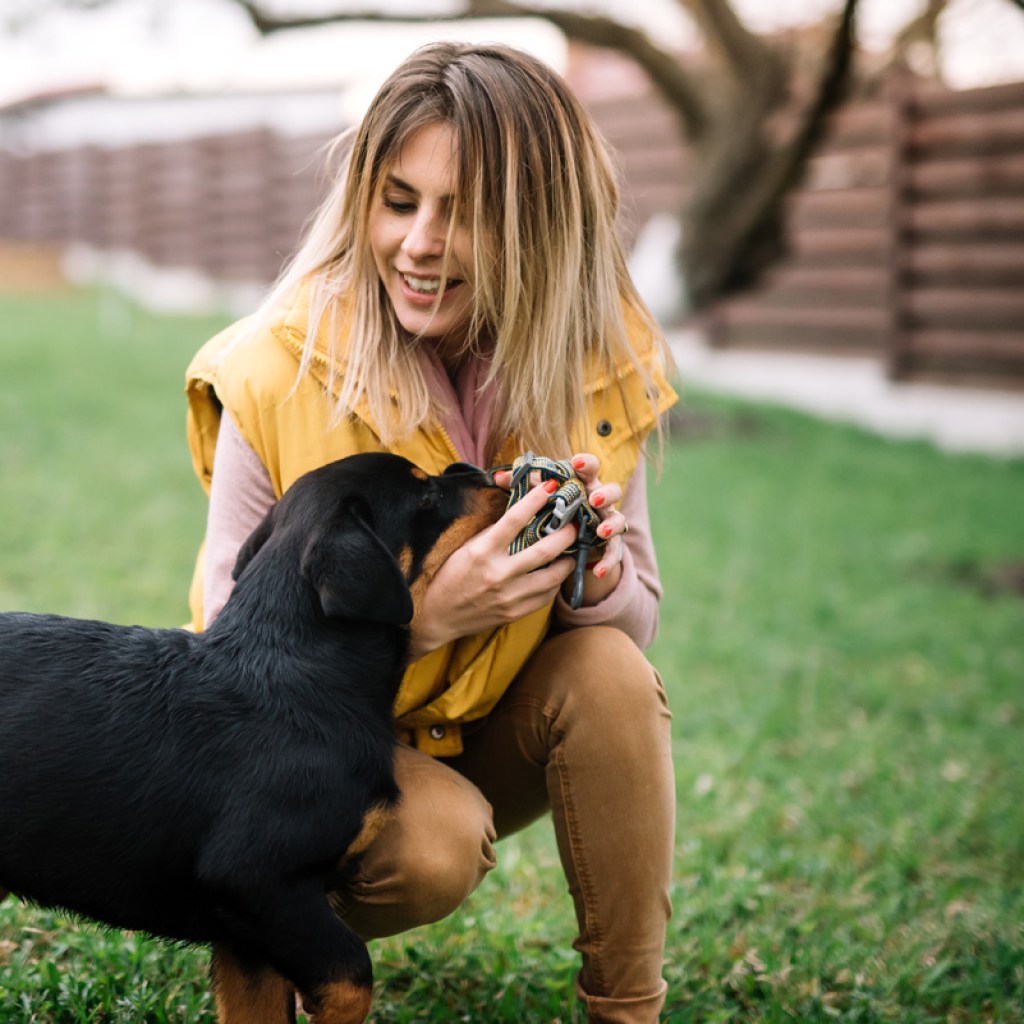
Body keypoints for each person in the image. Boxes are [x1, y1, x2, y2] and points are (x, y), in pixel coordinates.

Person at [184, 41, 678, 1023]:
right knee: (433, 843)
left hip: (483, 727)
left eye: (465, 213)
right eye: (398, 199)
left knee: (614, 675)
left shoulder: (596, 359)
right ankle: (268, 925)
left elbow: (637, 619)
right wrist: (420, 621)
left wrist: (594, 573)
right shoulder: (276, 367)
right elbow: (226, 663)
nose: (418, 241)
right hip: (307, 763)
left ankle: (627, 1011)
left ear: (540, 223)